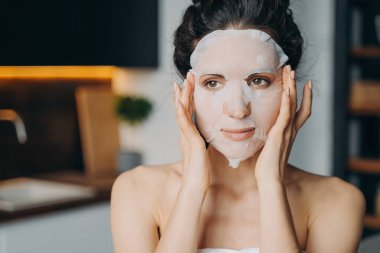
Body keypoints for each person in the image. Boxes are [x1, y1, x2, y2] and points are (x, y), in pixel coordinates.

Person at [110, 0, 365, 252]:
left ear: (289, 87)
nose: (237, 109)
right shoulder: (137, 190)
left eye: (259, 81)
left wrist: (270, 182)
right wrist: (193, 186)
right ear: (188, 94)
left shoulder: (337, 200)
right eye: (212, 83)